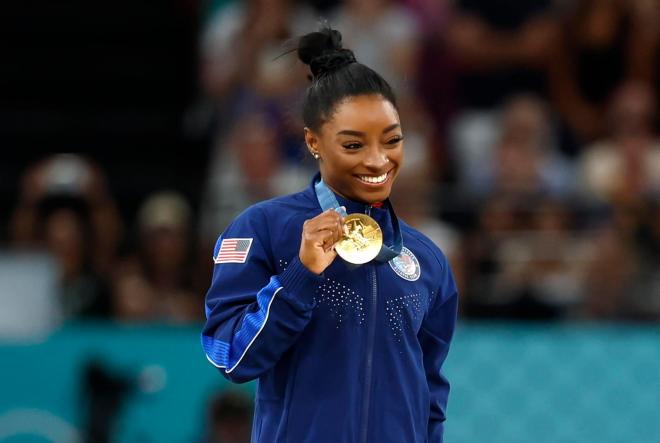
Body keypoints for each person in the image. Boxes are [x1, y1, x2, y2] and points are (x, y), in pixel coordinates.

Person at [201, 27, 458, 443]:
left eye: (392, 140)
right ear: (314, 142)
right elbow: (229, 356)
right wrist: (299, 276)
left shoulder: (426, 258)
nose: (378, 160)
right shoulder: (265, 229)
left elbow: (430, 395)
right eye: (354, 145)